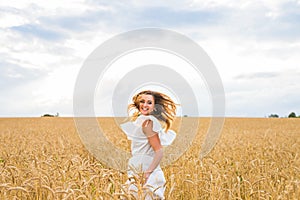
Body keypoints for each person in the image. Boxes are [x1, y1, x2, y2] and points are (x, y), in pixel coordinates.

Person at [121, 90, 177, 199]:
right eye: (142, 101)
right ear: (138, 104)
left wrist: (147, 173)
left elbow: (159, 151)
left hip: (147, 173)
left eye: (149, 102)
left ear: (154, 107)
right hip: (138, 170)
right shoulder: (141, 121)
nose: (145, 105)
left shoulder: (148, 123)